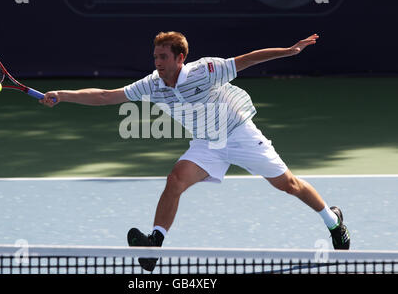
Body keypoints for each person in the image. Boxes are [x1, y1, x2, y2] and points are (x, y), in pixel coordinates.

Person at [40, 31, 350, 272]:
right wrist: (63, 95)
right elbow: (108, 96)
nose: (157, 62)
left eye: (163, 57)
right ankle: (154, 245)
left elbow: (247, 59)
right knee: (175, 179)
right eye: (155, 56)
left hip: (239, 133)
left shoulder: (206, 70)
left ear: (180, 57)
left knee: (289, 185)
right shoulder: (152, 83)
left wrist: (290, 50)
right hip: (206, 144)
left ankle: (333, 221)